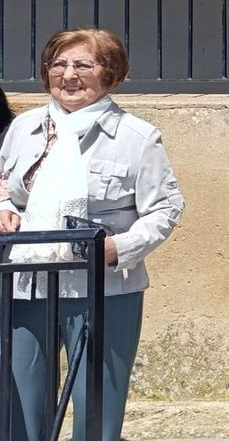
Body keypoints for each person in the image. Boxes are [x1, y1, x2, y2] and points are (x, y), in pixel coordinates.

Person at [0, 27, 185, 441]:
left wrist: (117, 248)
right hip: (26, 287)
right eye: (58, 64)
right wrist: (5, 210)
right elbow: (5, 187)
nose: (69, 75)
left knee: (96, 411)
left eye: (83, 64)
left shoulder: (137, 138)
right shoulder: (23, 128)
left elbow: (166, 209)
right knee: (19, 415)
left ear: (110, 73)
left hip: (104, 293)